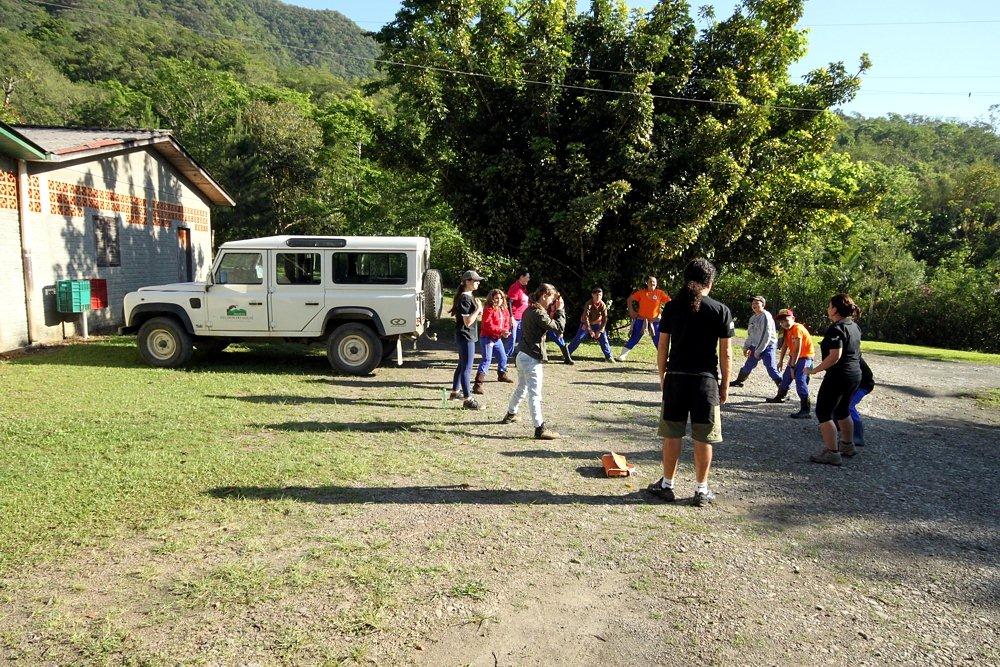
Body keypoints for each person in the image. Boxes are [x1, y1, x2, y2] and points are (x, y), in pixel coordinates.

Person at [646, 259, 733, 507]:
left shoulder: (672, 307)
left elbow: (662, 345)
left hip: (676, 378)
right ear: (710, 282)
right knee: (702, 438)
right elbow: (726, 354)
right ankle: (701, 490)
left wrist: (663, 376)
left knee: (672, 435)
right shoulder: (720, 310)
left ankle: (667, 484)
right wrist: (725, 384)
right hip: (705, 382)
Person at [500, 283, 566, 440]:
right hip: (531, 358)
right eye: (551, 297)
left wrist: (554, 309)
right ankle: (539, 428)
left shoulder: (530, 309)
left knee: (522, 388)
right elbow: (559, 328)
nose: (552, 301)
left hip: (522, 355)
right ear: (544, 295)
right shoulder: (538, 313)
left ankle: (511, 414)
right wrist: (561, 310)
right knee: (534, 394)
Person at [806, 294, 864, 466]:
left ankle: (832, 453)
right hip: (854, 374)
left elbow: (835, 356)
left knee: (823, 412)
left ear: (835, 309)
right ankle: (847, 445)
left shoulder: (836, 328)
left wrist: (814, 370)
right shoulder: (853, 326)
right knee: (843, 410)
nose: (827, 308)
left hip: (839, 376)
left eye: (829, 305)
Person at [766, 308, 815, 418]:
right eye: (781, 321)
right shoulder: (786, 330)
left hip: (805, 358)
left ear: (793, 318)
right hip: (795, 357)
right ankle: (780, 397)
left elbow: (797, 349)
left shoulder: (797, 328)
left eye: (786, 320)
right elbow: (785, 345)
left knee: (800, 380)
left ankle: (805, 410)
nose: (784, 323)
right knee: (786, 377)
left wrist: (792, 366)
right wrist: (780, 361)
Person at [448, 270, 484, 410]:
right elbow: (467, 322)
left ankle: (455, 392)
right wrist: (479, 309)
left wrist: (477, 311)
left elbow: (470, 317)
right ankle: (468, 399)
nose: (478, 283)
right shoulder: (465, 298)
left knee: (462, 364)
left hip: (466, 335)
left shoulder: (468, 296)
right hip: (466, 336)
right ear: (467, 282)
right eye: (476, 281)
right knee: (467, 368)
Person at [729, 296, 782, 389]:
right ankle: (739, 381)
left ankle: (783, 389)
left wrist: (758, 351)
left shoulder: (766, 316)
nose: (754, 305)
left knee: (771, 368)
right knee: (748, 365)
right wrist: (746, 347)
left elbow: (766, 335)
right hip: (756, 346)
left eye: (757, 303)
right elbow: (751, 334)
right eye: (753, 303)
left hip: (768, 346)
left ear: (763, 305)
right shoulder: (752, 318)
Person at [616, 276, 670, 361]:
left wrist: (664, 313)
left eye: (654, 282)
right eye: (650, 282)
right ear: (647, 283)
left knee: (658, 340)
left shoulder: (660, 293)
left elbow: (670, 303)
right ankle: (622, 355)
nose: (652, 283)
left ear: (656, 284)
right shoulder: (641, 293)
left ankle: (664, 359)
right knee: (635, 337)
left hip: (654, 321)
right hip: (641, 319)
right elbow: (629, 299)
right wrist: (631, 311)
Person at [473, 289, 514, 394]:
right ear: (492, 298)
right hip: (487, 338)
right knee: (487, 359)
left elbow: (506, 322)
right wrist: (501, 331)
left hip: (497, 338)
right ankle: (478, 384)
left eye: (501, 298)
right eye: (496, 298)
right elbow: (487, 326)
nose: (499, 300)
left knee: (503, 357)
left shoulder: (503, 310)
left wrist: (505, 330)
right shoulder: (488, 310)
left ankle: (502, 374)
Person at [566, 287, 614, 362]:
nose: (598, 296)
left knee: (604, 338)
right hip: (586, 323)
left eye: (600, 295)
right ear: (592, 295)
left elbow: (605, 319)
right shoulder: (588, 304)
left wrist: (600, 331)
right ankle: (567, 354)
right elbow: (586, 317)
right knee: (579, 337)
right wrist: (590, 330)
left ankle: (609, 357)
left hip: (598, 323)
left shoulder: (603, 305)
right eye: (596, 295)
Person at [504, 269, 531, 360]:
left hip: (522, 318)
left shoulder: (523, 288)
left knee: (521, 339)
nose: (529, 279)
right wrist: (511, 317)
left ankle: (517, 357)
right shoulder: (515, 287)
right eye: (527, 277)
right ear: (521, 277)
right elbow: (509, 302)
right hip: (515, 317)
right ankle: (505, 358)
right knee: (511, 339)